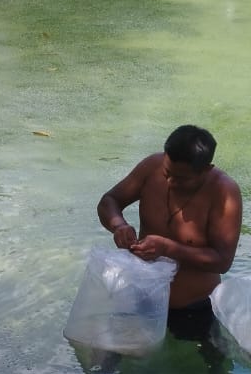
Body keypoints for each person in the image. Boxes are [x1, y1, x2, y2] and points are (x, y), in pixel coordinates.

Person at [97, 124, 242, 339]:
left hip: (194, 306)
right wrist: (118, 226)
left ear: (206, 170)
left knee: (210, 359)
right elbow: (109, 201)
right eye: (167, 173)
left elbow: (222, 261)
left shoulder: (224, 193)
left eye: (182, 179)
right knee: (107, 352)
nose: (171, 182)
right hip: (141, 295)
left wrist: (167, 248)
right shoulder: (151, 168)